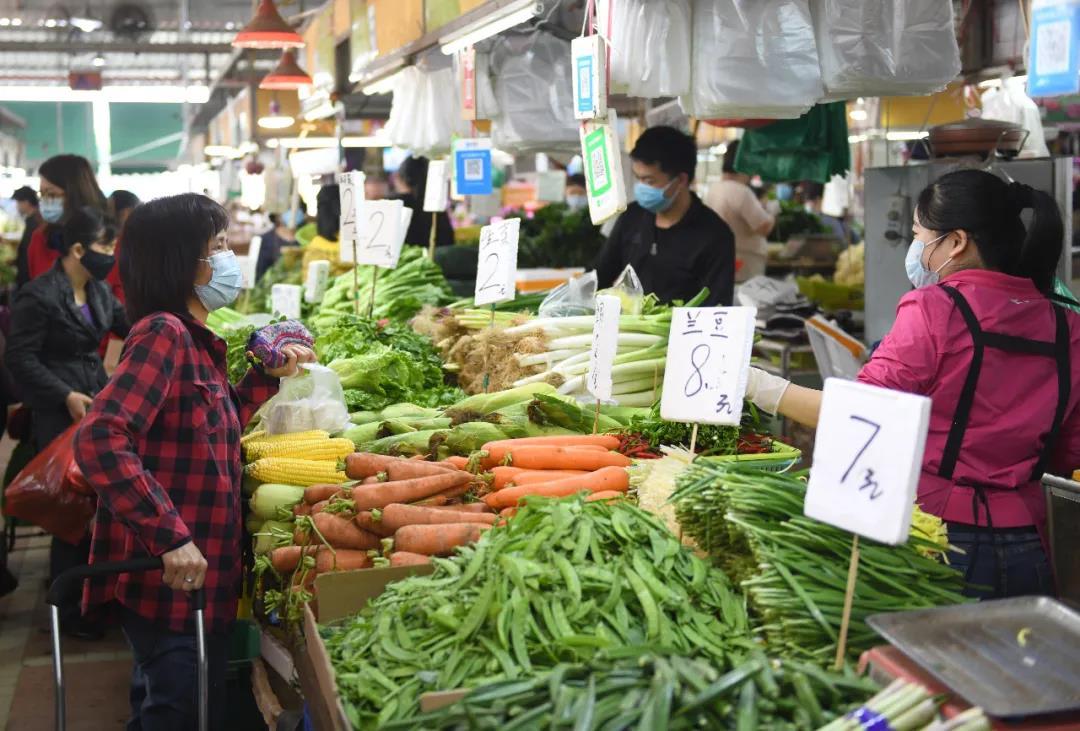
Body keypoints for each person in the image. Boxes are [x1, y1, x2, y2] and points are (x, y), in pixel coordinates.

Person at [745, 170, 1080, 600]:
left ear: (956, 242)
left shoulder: (936, 309)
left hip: (940, 538)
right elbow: (1068, 451)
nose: (916, 249)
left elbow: (860, 415)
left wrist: (759, 386)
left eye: (920, 235)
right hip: (1031, 545)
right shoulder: (1067, 325)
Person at [73, 193, 315, 729]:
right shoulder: (164, 334)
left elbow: (208, 424)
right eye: (219, 247)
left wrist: (263, 381)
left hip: (202, 578)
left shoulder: (195, 339)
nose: (229, 259)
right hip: (171, 580)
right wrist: (170, 537)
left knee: (172, 700)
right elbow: (100, 439)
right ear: (181, 262)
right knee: (177, 711)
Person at [5, 206, 128, 638]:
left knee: (95, 505)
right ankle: (67, 612)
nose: (110, 254)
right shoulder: (39, 296)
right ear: (78, 248)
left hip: (93, 405)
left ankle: (92, 598)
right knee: (69, 512)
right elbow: (19, 357)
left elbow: (126, 324)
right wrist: (64, 395)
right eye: (105, 246)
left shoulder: (97, 291)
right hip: (59, 412)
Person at [594, 126, 736, 306]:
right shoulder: (632, 217)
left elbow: (717, 307)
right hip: (626, 330)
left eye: (649, 181)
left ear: (682, 180)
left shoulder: (715, 236)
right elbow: (600, 275)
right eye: (638, 178)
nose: (641, 187)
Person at [26, 155, 107, 282]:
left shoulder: (107, 239)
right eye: (42, 194)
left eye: (51, 194)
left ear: (76, 193)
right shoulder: (41, 238)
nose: (45, 201)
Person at [705, 141, 775, 282]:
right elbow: (763, 227)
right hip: (744, 268)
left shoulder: (714, 189)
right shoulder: (741, 191)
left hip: (724, 262)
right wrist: (772, 211)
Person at [390, 155, 454, 248]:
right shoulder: (436, 206)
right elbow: (448, 241)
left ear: (402, 178)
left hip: (408, 260)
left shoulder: (399, 205)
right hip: (436, 260)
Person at [255, 207, 305, 282]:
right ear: (277, 214)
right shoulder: (264, 240)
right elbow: (259, 274)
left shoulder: (306, 238)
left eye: (298, 206)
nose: (294, 210)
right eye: (289, 207)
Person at [11, 185, 42, 288]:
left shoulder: (36, 222)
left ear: (26, 202)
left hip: (30, 279)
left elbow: (30, 252)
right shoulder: (32, 221)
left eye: (18, 202)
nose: (17, 206)